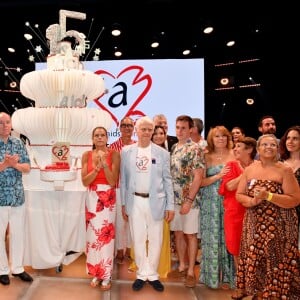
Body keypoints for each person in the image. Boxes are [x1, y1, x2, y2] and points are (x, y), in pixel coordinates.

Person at [235, 134, 300, 300]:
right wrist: (251, 201)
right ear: (258, 149)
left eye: (272, 144)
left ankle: (274, 294)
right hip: (254, 224)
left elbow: (295, 199)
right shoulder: (250, 169)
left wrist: (269, 196)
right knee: (255, 258)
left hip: (280, 225)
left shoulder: (284, 170)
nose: (268, 147)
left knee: (276, 260)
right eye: (264, 144)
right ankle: (259, 292)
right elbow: (239, 194)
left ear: (277, 148)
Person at [120, 116, 175, 292]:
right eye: (142, 129)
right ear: (136, 130)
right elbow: (124, 180)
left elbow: (168, 181)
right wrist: (123, 204)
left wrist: (170, 206)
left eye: (149, 129)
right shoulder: (126, 151)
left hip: (156, 202)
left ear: (152, 132)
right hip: (134, 201)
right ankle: (141, 274)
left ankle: (152, 274)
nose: (146, 132)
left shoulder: (162, 153)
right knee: (138, 238)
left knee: (156, 239)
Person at [167, 115, 205, 288]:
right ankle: (181, 265)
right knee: (178, 233)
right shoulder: (175, 147)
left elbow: (198, 177)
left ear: (191, 129)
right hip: (174, 199)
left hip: (190, 200)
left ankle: (190, 271)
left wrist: (189, 200)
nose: (180, 131)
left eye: (183, 127)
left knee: (190, 234)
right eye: (177, 127)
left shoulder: (195, 148)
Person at [81, 126, 120, 291]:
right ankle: (96, 273)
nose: (99, 138)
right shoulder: (86, 155)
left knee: (106, 237)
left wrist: (105, 165)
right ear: (92, 139)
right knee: (93, 237)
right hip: (91, 198)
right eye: (96, 135)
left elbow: (112, 181)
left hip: (107, 199)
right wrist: (97, 167)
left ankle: (106, 274)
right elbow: (85, 181)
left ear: (107, 138)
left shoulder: (115, 154)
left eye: (102, 135)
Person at [218, 136, 257, 299]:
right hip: (234, 212)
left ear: (249, 150)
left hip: (255, 212)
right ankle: (242, 285)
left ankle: (254, 284)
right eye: (234, 147)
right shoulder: (231, 165)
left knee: (254, 248)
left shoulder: (259, 166)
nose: (234, 149)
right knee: (235, 249)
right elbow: (228, 186)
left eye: (238, 146)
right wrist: (246, 174)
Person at [199, 125, 235, 289]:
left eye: (224, 136)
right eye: (217, 136)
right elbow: (201, 182)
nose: (221, 139)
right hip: (210, 202)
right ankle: (211, 277)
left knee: (229, 238)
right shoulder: (206, 157)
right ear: (211, 140)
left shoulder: (235, 155)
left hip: (230, 202)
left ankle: (229, 277)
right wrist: (218, 176)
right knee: (212, 240)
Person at [0, 112, 33, 285]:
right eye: (1, 123)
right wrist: (5, 165)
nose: (5, 125)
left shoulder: (18, 143)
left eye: (7, 122)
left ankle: (18, 268)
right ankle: (2, 270)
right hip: (0, 198)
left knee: (18, 234)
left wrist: (15, 165)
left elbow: (27, 167)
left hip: (17, 196)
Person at [109, 117, 135, 264]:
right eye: (124, 125)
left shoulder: (138, 146)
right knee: (119, 221)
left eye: (129, 125)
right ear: (119, 128)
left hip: (134, 190)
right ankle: (119, 250)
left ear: (133, 128)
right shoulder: (112, 147)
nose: (127, 128)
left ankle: (131, 249)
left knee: (133, 219)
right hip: (118, 189)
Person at [279, 125, 300, 252]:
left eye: (295, 138)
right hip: (283, 212)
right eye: (288, 138)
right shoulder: (279, 163)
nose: (290, 141)